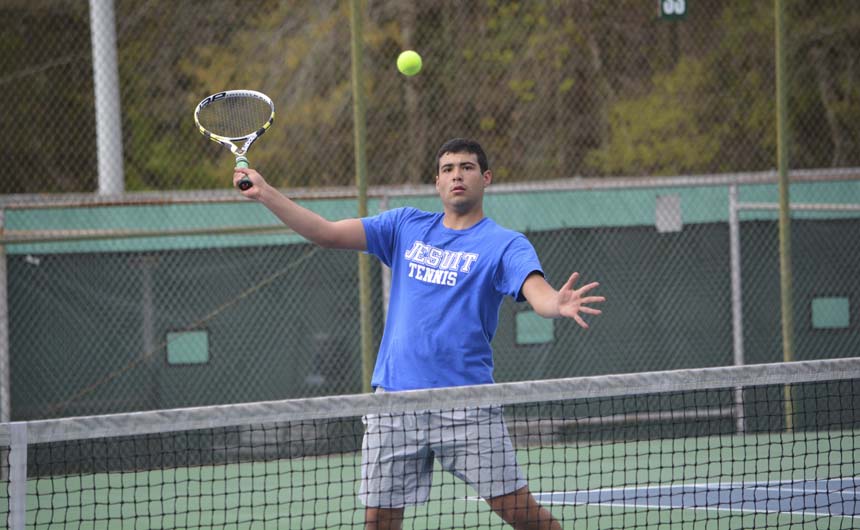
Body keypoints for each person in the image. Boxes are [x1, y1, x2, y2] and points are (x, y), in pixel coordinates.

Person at [233, 138, 604, 530]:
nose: (457, 175)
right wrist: (265, 193)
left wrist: (556, 304)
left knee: (522, 515)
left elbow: (537, 292)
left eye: (467, 167)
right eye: (447, 169)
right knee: (378, 522)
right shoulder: (404, 225)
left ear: (486, 178)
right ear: (437, 182)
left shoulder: (505, 244)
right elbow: (326, 233)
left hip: (467, 405)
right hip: (394, 404)